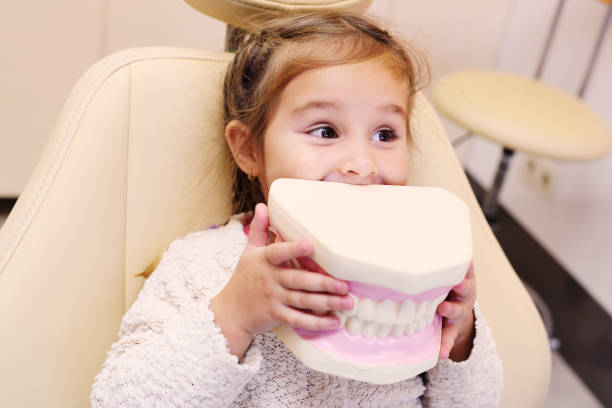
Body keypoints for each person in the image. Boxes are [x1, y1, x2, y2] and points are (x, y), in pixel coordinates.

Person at [91, 12, 503, 407]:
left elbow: (481, 401)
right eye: (325, 131)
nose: (362, 163)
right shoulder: (200, 264)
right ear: (249, 149)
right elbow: (119, 401)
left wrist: (460, 337)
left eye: (384, 133)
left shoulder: (423, 263)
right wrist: (233, 316)